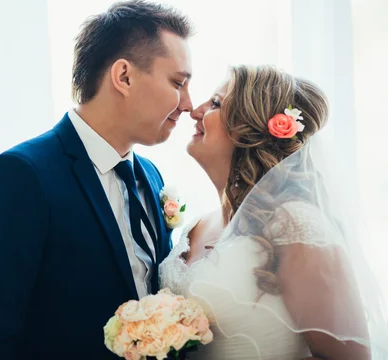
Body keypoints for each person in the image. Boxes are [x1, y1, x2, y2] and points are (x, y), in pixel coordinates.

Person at [0, 0, 194, 359]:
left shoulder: (150, 176)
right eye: (178, 82)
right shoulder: (21, 177)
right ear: (124, 76)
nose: (188, 103)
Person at [160, 65, 388, 359]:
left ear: (250, 130)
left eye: (216, 103)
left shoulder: (293, 223)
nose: (196, 111)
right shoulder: (200, 223)